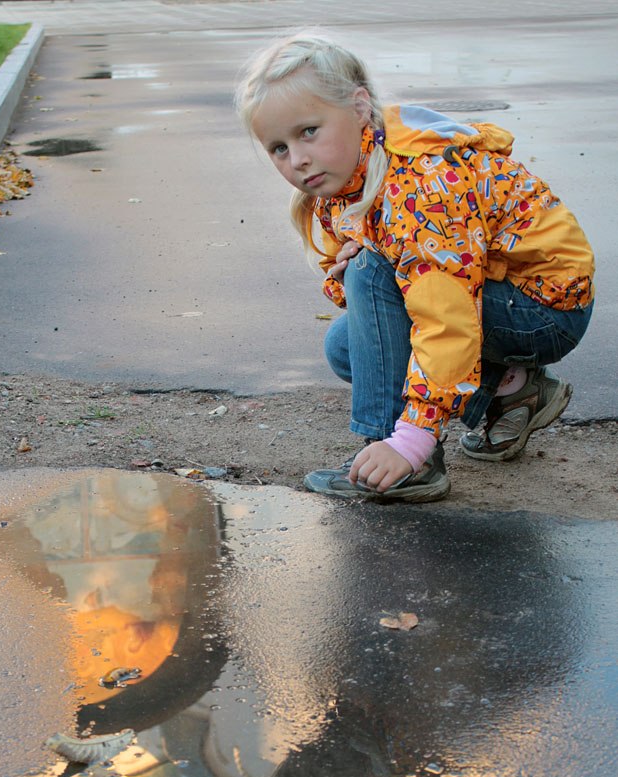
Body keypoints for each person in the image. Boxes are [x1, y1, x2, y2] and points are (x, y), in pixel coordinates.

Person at [235, 32, 595, 502]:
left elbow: (446, 317)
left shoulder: (420, 186)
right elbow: (390, 295)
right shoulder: (344, 177)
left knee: (372, 277)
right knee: (347, 347)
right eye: (279, 148)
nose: (298, 158)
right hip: (491, 296)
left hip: (544, 310)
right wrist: (349, 275)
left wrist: (413, 439)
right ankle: (513, 387)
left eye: (308, 131)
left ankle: (406, 460)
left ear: (359, 107)